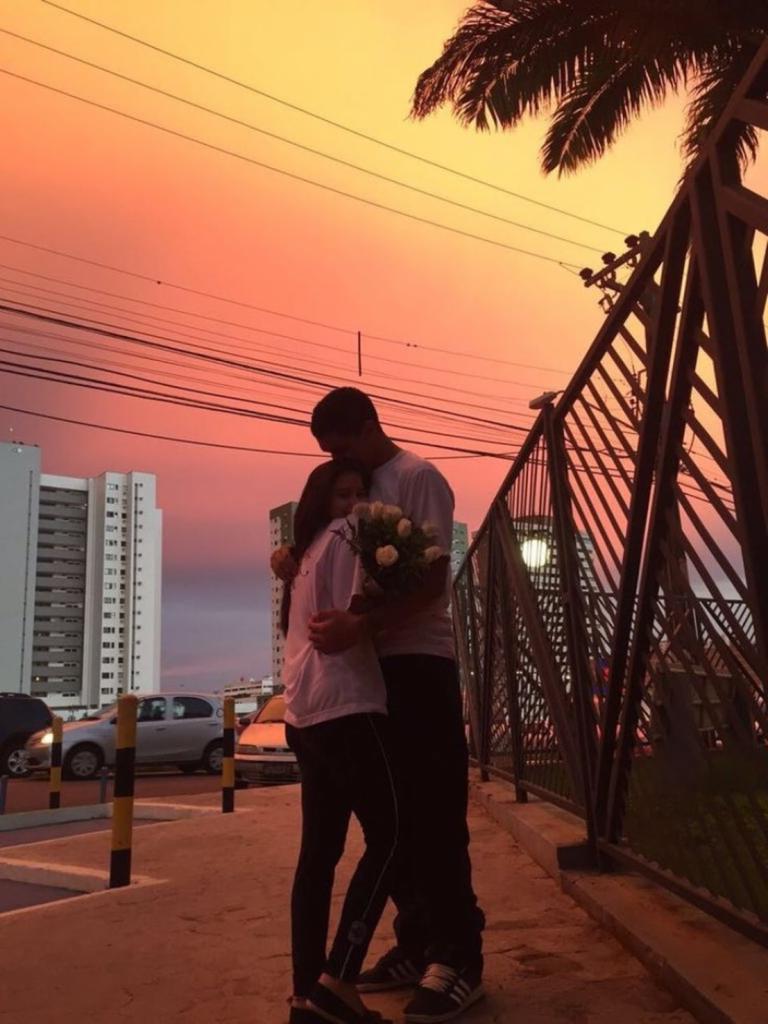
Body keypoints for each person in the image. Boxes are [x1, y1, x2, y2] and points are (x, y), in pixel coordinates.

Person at [273, 388, 484, 1024]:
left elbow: (430, 582)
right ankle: (418, 940)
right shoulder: (354, 490)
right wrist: (290, 555)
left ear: (367, 427)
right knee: (391, 820)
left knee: (436, 813)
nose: (337, 461)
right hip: (370, 677)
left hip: (418, 663)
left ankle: (458, 959)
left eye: (340, 446)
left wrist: (363, 628)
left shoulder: (418, 479)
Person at [282, 457, 399, 1024]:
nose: (354, 506)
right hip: (347, 705)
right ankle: (340, 975)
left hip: (304, 714)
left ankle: (305, 994)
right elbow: (362, 607)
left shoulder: (301, 558)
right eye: (342, 495)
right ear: (321, 503)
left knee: (319, 855)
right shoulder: (352, 535)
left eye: (359, 494)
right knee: (394, 834)